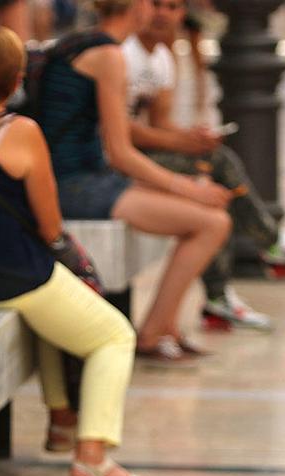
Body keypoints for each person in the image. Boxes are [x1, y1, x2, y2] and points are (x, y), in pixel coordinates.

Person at [0, 26, 150, 476]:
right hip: (11, 276)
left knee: (54, 317)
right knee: (114, 336)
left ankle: (62, 422)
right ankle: (92, 460)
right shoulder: (19, 131)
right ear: (17, 77)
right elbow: (50, 227)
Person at [34, 0, 232, 364]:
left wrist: (183, 185)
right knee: (212, 222)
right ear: (138, 6)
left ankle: (164, 327)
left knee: (206, 208)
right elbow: (120, 151)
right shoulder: (109, 54)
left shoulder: (79, 42)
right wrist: (187, 189)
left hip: (78, 178)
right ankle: (155, 332)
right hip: (76, 186)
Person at [124, 0, 285, 330]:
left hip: (140, 154)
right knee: (216, 166)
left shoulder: (162, 58)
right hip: (117, 161)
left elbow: (159, 123)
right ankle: (267, 243)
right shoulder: (122, 54)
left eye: (173, 7)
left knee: (215, 185)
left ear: (184, 15)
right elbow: (121, 133)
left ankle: (221, 294)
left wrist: (193, 137)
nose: (163, 14)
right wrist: (184, 145)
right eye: (156, 5)